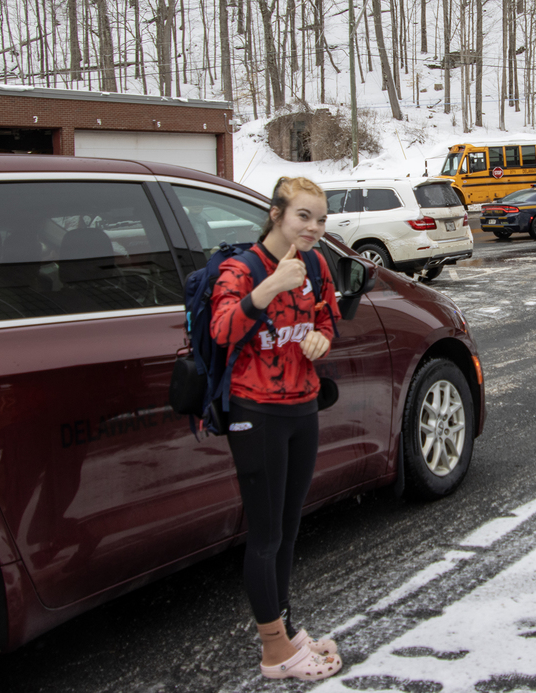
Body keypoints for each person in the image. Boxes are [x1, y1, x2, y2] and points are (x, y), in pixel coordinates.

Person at [210, 177, 342, 681]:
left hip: (302, 407)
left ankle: (285, 632)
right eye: (303, 216)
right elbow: (222, 332)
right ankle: (273, 653)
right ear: (276, 215)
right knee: (264, 536)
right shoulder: (241, 269)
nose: (313, 228)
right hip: (256, 410)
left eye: (320, 219)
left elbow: (328, 319)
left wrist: (321, 342)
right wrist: (266, 291)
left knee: (288, 530)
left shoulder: (316, 264)